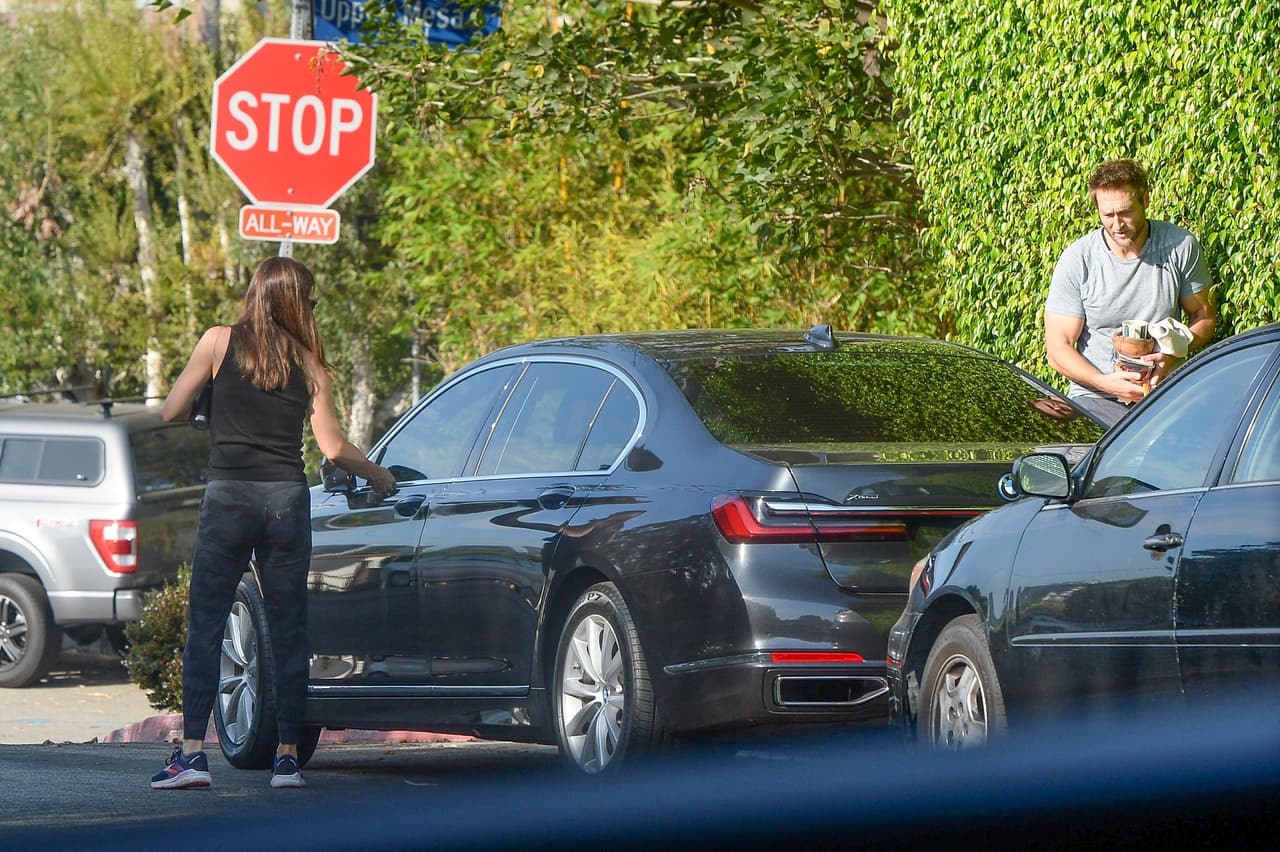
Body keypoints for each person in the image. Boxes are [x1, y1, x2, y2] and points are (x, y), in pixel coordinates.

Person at [150, 257, 396, 790]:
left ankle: (191, 756)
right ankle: (287, 759)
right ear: (295, 302)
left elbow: (171, 410)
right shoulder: (310, 365)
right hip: (286, 501)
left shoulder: (217, 341)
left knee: (207, 625)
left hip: (229, 500)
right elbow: (332, 447)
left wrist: (209, 406)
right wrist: (378, 474)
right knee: (289, 629)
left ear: (255, 294)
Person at [1044, 159, 1216, 426]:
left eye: (1125, 212)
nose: (1117, 225)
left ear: (1146, 199)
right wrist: (1106, 383)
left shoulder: (1179, 246)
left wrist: (1171, 356)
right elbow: (1057, 348)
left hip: (1163, 393)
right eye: (1107, 215)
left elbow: (1203, 318)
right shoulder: (1079, 259)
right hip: (1094, 398)